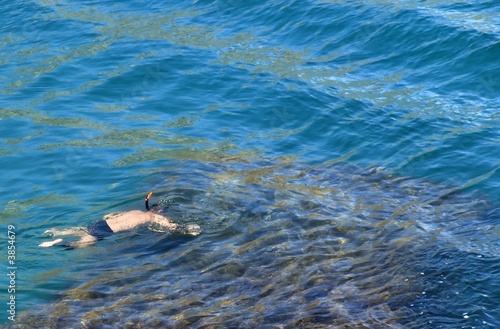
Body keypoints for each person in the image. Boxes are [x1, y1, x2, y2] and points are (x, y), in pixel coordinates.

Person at [39, 192, 201, 248]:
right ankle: (57, 243)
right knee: (80, 245)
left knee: (84, 230)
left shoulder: (136, 210)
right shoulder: (154, 217)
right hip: (109, 231)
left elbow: (109, 216)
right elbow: (171, 226)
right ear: (159, 213)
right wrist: (185, 230)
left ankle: (57, 232)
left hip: (102, 223)